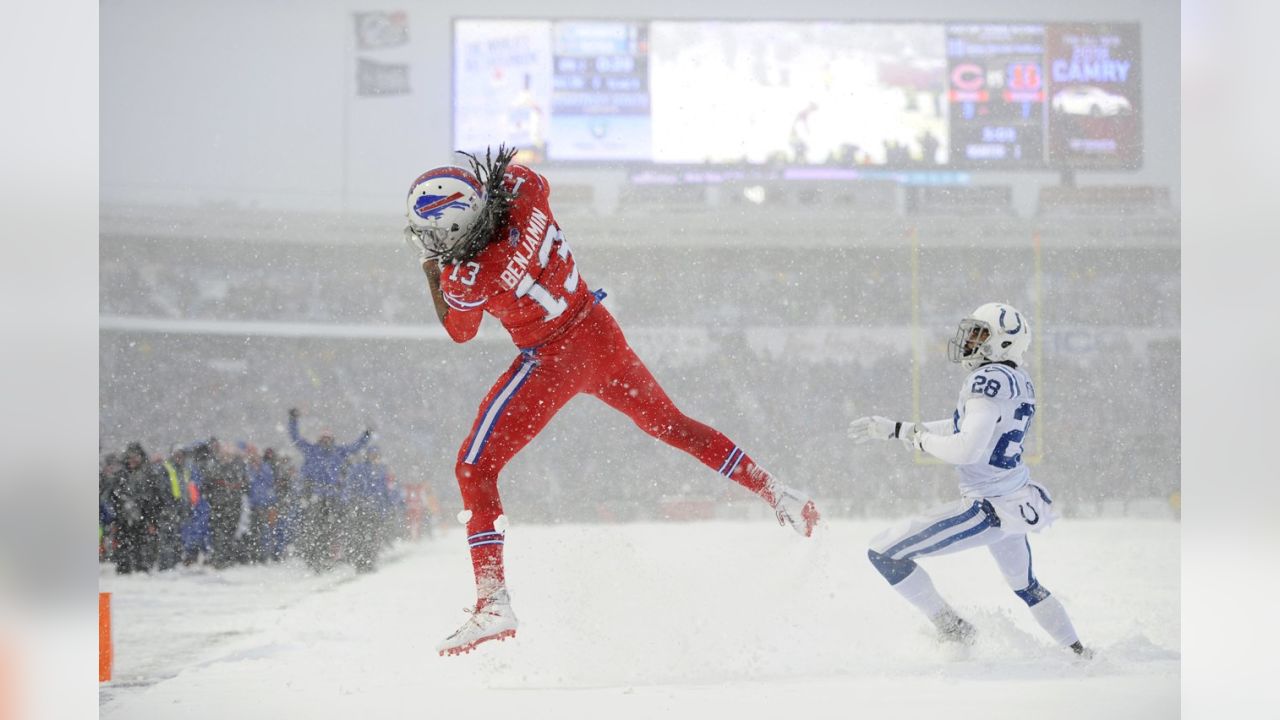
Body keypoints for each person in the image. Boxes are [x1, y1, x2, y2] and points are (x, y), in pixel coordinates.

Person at [404, 146, 820, 657]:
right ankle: (777, 492)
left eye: (433, 234)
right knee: (673, 424)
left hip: (553, 357)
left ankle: (492, 602)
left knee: (474, 468)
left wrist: (430, 267)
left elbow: (460, 330)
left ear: (454, 228)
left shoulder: (466, 276)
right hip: (598, 333)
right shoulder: (523, 190)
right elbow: (520, 186)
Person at [848, 302, 1090, 657]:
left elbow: (965, 449)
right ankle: (1079, 653)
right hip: (1016, 498)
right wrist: (899, 430)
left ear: (1004, 342)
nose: (970, 341)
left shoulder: (985, 379)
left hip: (986, 507)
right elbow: (967, 426)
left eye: (981, 334)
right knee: (1027, 586)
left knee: (883, 553)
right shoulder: (1018, 379)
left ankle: (954, 629)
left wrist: (918, 439)